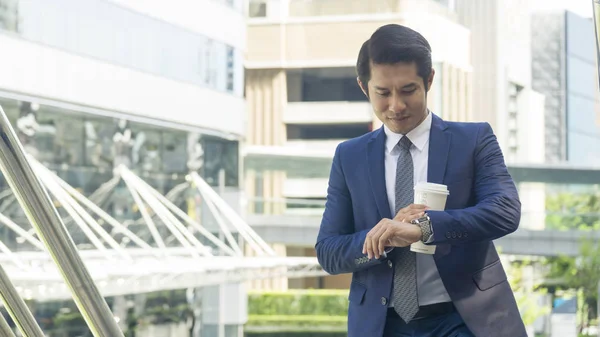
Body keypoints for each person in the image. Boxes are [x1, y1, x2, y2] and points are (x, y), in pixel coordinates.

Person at [315, 24, 526, 337]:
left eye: (408, 90)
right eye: (383, 93)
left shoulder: (473, 139)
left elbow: (504, 211)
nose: (396, 106)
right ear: (364, 87)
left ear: (429, 80)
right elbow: (329, 251)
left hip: (464, 318)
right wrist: (384, 238)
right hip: (382, 324)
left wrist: (423, 228)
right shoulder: (350, 156)